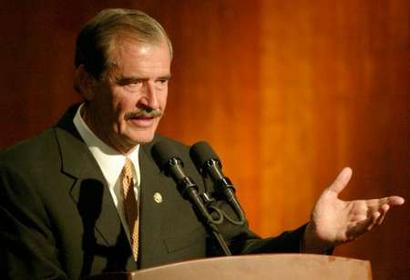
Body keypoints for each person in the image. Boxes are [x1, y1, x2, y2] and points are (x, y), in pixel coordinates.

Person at [0, 8, 404, 280]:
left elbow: (235, 259)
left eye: (162, 81)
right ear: (87, 82)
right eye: (131, 82)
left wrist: (314, 238)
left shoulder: (178, 163)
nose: (152, 102)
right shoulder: (24, 174)